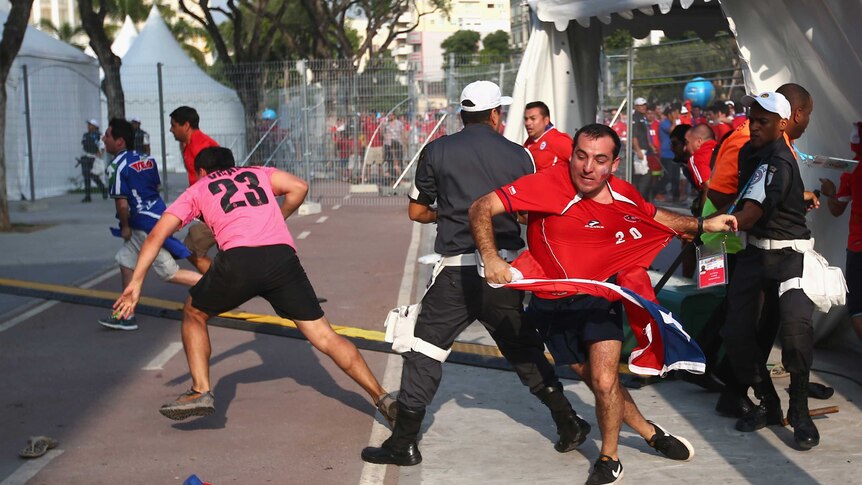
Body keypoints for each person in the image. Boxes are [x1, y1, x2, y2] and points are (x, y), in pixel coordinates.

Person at [469, 123, 737, 485]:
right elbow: (481, 206)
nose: (587, 168)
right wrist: (491, 256)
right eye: (581, 156)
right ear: (572, 155)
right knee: (597, 384)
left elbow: (654, 216)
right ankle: (649, 431)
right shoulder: (548, 184)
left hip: (599, 297)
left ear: (614, 163)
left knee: (605, 379)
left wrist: (704, 223)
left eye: (599, 160)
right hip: (551, 303)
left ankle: (608, 459)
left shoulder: (623, 193)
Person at [361, 81, 589, 467]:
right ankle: (567, 422)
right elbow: (527, 214)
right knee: (522, 348)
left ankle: (403, 443)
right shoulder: (522, 156)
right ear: (496, 114)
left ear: (461, 114)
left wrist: (451, 213)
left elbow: (417, 212)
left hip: (458, 270)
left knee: (425, 348)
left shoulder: (437, 150)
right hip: (506, 270)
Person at [111, 146, 396, 424]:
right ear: (233, 164)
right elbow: (299, 186)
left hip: (239, 260)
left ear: (201, 171)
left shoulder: (198, 189)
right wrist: (279, 217)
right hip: (281, 258)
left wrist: (136, 283)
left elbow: (156, 235)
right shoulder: (256, 173)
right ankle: (382, 397)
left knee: (194, 313)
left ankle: (200, 391)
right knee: (324, 336)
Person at [698, 83, 817, 419]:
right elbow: (726, 193)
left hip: (782, 253)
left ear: (782, 120)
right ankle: (742, 389)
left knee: (786, 331)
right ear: (794, 116)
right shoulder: (748, 146)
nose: (754, 125)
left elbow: (767, 194)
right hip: (733, 240)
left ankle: (794, 408)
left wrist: (789, 202)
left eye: (762, 120)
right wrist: (718, 223)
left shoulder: (779, 152)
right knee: (738, 327)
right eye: (752, 120)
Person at [98, 118, 201, 331]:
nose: (103, 138)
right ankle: (126, 314)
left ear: (119, 142)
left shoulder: (117, 165)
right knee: (126, 261)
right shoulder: (147, 159)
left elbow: (122, 202)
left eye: (107, 135)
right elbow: (154, 186)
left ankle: (217, 287)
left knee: (169, 273)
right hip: (157, 217)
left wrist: (125, 226)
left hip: (145, 225)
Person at [818, 121, 862, 341]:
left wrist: (829, 193)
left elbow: (837, 209)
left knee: (857, 308)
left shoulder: (853, 168)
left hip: (858, 248)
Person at [170, 106, 220, 274]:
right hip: (208, 209)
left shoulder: (201, 146)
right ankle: (220, 283)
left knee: (191, 249)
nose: (171, 130)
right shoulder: (189, 145)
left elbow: (210, 182)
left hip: (217, 209)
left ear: (186, 126)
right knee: (190, 249)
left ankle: (220, 284)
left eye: (174, 125)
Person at [523, 101, 573, 172]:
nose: (528, 123)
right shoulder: (528, 143)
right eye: (526, 119)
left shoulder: (558, 140)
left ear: (546, 120)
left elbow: (579, 164)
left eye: (533, 118)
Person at [79, 118, 108, 202]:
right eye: (88, 125)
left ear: (95, 126)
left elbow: (102, 147)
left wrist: (99, 154)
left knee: (94, 176)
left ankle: (103, 190)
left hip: (94, 157)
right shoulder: (85, 135)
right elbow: (83, 146)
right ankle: (88, 196)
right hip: (86, 157)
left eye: (90, 125)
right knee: (86, 176)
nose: (88, 126)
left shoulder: (99, 135)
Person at [631, 97, 655, 196]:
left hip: (645, 149)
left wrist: (651, 145)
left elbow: (645, 134)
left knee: (641, 175)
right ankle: (640, 197)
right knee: (644, 175)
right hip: (639, 150)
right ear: (636, 107)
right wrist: (638, 150)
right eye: (641, 105)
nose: (644, 107)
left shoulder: (642, 118)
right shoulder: (635, 118)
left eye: (645, 105)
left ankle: (641, 198)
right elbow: (634, 135)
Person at [659, 104, 681, 202]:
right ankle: (659, 192)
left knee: (676, 176)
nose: (676, 115)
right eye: (674, 113)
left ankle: (675, 197)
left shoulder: (676, 123)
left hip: (675, 153)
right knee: (668, 175)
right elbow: (672, 131)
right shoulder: (664, 123)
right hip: (666, 154)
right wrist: (673, 121)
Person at [382, 112, 407, 179]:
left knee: (399, 160)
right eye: (388, 115)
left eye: (390, 115)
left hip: (397, 144)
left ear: (394, 116)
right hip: (388, 144)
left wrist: (404, 144)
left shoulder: (399, 123)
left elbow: (402, 133)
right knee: (390, 161)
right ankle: (392, 177)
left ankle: (400, 177)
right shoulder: (386, 124)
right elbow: (382, 133)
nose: (389, 117)